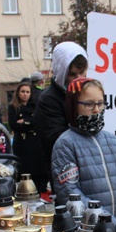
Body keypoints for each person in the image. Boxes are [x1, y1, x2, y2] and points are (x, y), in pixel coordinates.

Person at [51, 77, 116, 232]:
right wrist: (109, 223)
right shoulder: (65, 144)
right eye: (89, 104)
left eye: (100, 103)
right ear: (73, 106)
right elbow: (70, 194)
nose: (97, 109)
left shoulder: (111, 140)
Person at [35, 42, 88, 187]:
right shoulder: (48, 100)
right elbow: (57, 141)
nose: (79, 78)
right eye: (72, 74)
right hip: (66, 172)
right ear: (62, 72)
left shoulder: (86, 94)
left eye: (81, 72)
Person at [9, 81, 48, 194]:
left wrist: (25, 121)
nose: (25, 94)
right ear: (18, 93)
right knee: (24, 169)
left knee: (37, 168)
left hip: (34, 142)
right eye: (22, 91)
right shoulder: (13, 107)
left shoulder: (35, 106)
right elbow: (13, 125)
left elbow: (37, 121)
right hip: (21, 143)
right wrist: (29, 124)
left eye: (27, 92)